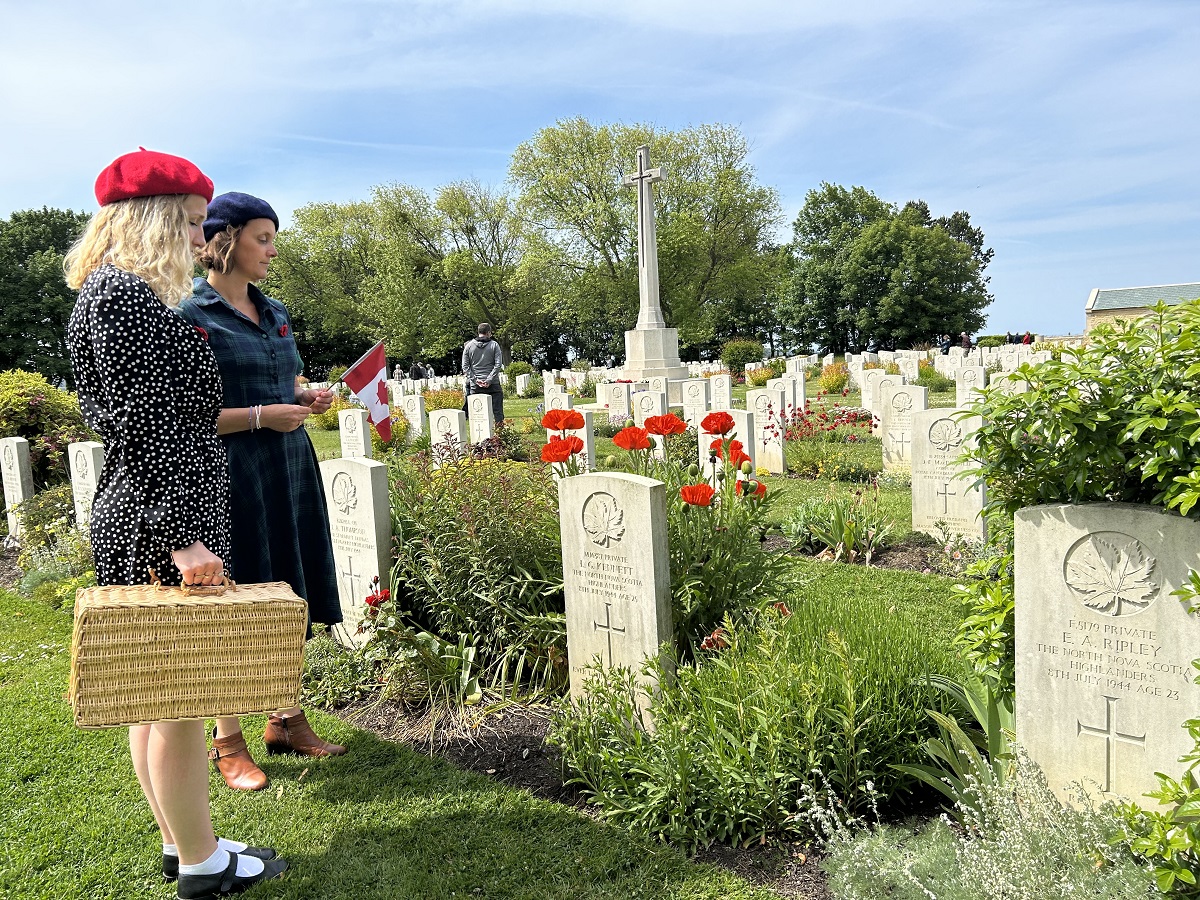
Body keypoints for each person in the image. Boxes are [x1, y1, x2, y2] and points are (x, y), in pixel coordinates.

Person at [65, 150, 287, 897]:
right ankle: (203, 862)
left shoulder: (112, 295)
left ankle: (180, 842)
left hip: (159, 510)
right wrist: (183, 539)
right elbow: (146, 428)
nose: (202, 239)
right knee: (181, 703)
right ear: (153, 221)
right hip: (167, 518)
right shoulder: (123, 300)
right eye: (192, 223)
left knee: (155, 698)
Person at [177, 192, 348, 792]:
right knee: (234, 597)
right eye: (263, 238)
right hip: (226, 469)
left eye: (273, 238)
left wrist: (303, 400)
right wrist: (258, 416)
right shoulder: (188, 315)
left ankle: (285, 718)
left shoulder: (274, 311)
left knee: (286, 585)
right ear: (224, 239)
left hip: (286, 464)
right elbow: (181, 416)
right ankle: (228, 740)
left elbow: (282, 382)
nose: (272, 250)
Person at [461, 322, 503, 423]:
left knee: (477, 414)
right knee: (497, 412)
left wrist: (476, 380)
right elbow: (498, 365)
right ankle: (500, 434)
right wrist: (489, 379)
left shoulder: (469, 346)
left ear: (478, 332)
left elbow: (465, 366)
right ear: (488, 332)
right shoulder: (494, 345)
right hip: (493, 384)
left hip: (475, 386)